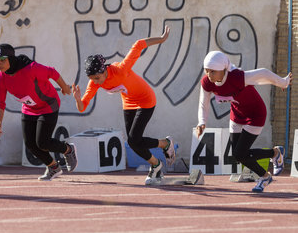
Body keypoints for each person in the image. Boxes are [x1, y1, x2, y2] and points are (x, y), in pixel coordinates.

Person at [72, 26, 176, 185]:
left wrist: (161, 39)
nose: (96, 82)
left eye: (98, 78)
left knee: (134, 139)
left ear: (104, 70)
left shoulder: (120, 69)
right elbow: (83, 106)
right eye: (92, 78)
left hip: (146, 99)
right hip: (129, 103)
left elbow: (139, 44)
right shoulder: (94, 83)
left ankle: (164, 146)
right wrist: (78, 99)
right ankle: (156, 163)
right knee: (133, 142)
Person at [195, 51, 293, 192]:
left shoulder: (236, 77)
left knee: (240, 154)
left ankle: (266, 174)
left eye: (213, 71)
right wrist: (201, 122)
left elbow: (263, 74)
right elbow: (203, 103)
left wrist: (282, 82)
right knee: (237, 155)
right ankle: (274, 154)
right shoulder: (207, 82)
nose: (209, 75)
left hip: (255, 114)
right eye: (206, 71)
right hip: (237, 115)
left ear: (223, 69)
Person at [0, 43, 77, 181]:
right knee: (30, 144)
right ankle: (53, 167)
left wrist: (64, 87)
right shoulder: (1, 78)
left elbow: (52, 72)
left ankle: (68, 150)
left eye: (2, 60)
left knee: (42, 142)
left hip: (48, 105)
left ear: (11, 59)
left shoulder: (30, 69)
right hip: (29, 109)